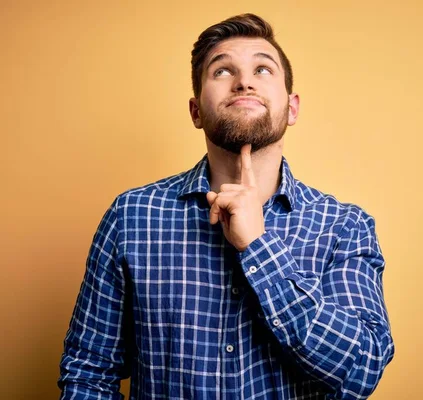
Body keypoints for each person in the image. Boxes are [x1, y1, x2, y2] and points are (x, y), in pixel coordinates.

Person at [58, 13, 395, 400]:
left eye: (263, 69)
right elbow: (88, 375)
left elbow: (361, 368)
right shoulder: (131, 216)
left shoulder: (344, 227)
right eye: (222, 71)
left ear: (293, 108)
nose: (244, 81)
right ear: (196, 111)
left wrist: (259, 247)